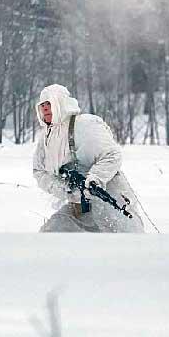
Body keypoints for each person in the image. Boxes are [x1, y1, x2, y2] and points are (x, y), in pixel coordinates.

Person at [32, 84, 144, 233]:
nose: (45, 108)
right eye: (42, 105)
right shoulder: (46, 138)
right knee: (52, 233)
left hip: (109, 195)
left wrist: (95, 179)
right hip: (78, 204)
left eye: (49, 103)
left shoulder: (84, 125)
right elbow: (39, 171)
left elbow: (112, 155)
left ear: (61, 103)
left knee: (126, 243)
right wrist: (66, 188)